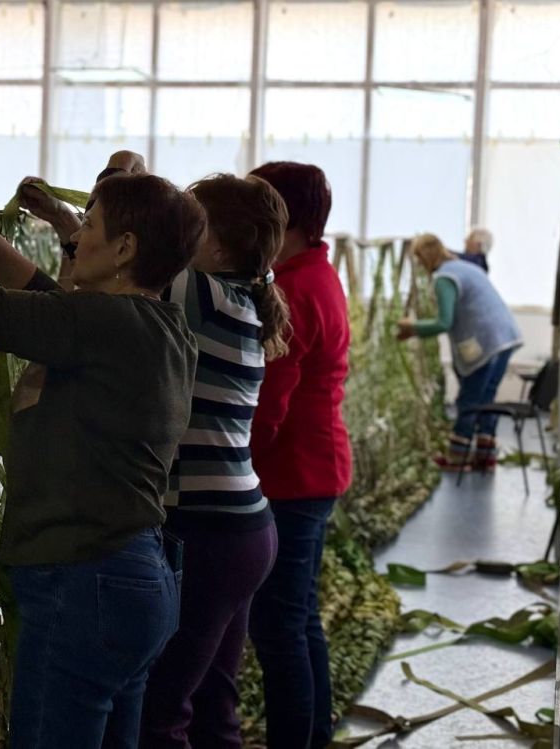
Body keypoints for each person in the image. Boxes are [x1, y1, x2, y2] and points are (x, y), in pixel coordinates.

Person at [0, 160, 205, 749]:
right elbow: (46, 299)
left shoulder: (106, 323)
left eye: (89, 225)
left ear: (125, 248)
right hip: (136, 579)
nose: (76, 236)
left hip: (87, 582)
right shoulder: (159, 325)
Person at [137, 174, 290, 748]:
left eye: (191, 222)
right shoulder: (244, 297)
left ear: (220, 248)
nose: (177, 233)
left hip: (206, 531)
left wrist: (120, 178)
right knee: (211, 706)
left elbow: (118, 262)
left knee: (161, 710)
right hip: (244, 528)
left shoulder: (195, 292)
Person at [247, 161, 352, 749]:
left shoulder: (293, 288)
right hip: (312, 467)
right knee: (297, 615)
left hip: (292, 473)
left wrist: (233, 463)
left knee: (279, 624)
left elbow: (270, 400)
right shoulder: (312, 273)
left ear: (279, 214)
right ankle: (313, 732)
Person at [398, 233, 523, 471]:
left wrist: (411, 327)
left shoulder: (445, 277)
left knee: (469, 399)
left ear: (425, 257)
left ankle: (458, 458)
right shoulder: (464, 267)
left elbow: (444, 322)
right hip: (506, 337)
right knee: (486, 398)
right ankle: (485, 455)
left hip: (486, 342)